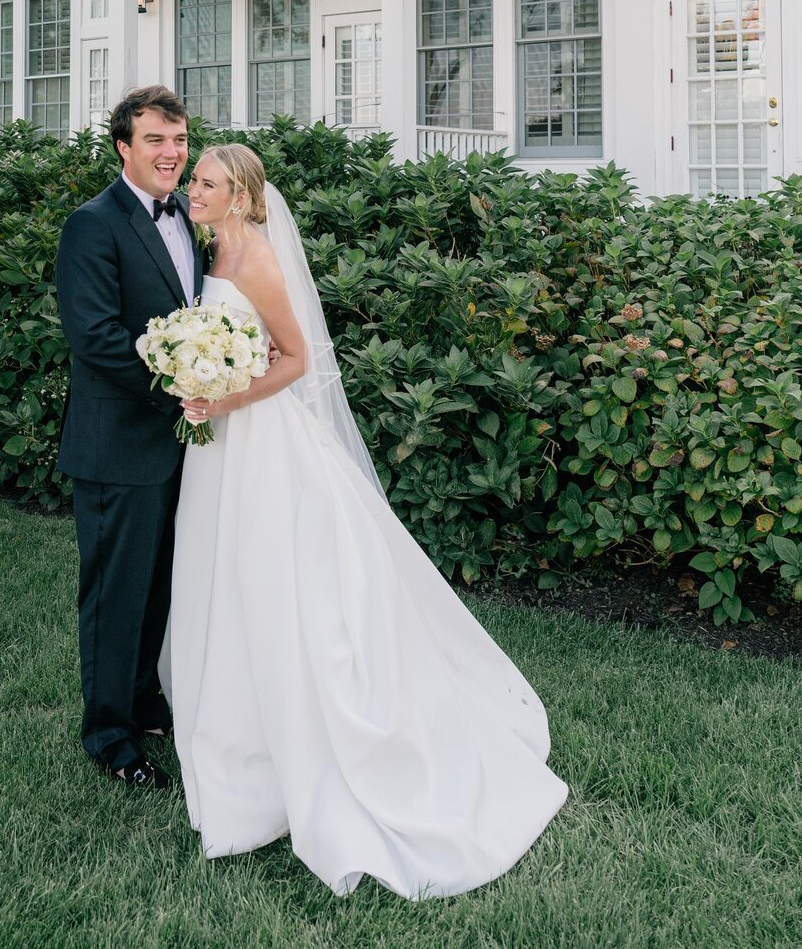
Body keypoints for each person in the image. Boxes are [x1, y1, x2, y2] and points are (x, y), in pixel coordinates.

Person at [163, 142, 569, 899]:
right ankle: (231, 746)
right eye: (195, 181)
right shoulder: (208, 251)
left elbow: (293, 359)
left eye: (208, 182)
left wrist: (223, 397)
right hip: (217, 444)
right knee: (219, 577)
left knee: (276, 584)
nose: (194, 190)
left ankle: (303, 754)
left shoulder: (253, 260)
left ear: (243, 198)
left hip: (260, 443)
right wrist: (196, 376)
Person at [55, 85, 205, 790]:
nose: (171, 153)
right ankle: (109, 733)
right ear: (124, 146)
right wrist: (178, 386)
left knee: (159, 586)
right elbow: (96, 338)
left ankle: (146, 703)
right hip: (118, 443)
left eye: (178, 140)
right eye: (155, 140)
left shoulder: (190, 219)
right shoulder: (92, 224)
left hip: (181, 446)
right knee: (116, 592)